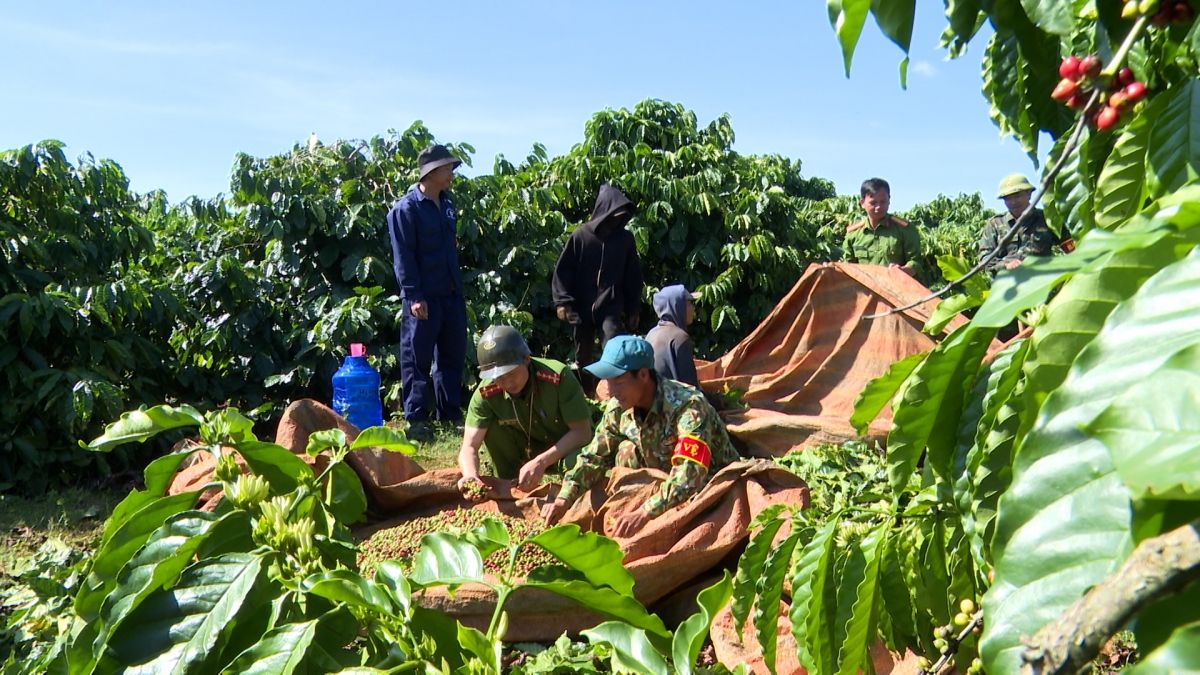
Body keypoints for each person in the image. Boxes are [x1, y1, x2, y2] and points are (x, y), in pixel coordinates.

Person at [540, 336, 739, 537]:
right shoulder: (618, 408)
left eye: (618, 382)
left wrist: (644, 512)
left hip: (708, 490)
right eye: (608, 382)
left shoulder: (688, 406)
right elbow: (594, 457)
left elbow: (690, 475)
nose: (611, 391)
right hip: (661, 484)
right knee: (626, 452)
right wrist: (563, 499)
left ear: (643, 375)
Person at [387, 145, 468, 442]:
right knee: (417, 359)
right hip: (423, 297)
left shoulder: (447, 205)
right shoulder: (404, 210)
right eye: (447, 169)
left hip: (451, 295)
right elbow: (403, 256)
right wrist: (414, 296)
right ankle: (417, 419)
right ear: (431, 173)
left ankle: (449, 414)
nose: (451, 174)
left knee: (451, 356)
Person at [457, 325, 594, 492]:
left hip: (563, 449)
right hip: (522, 450)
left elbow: (583, 432)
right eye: (498, 377)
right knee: (489, 425)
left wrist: (542, 461)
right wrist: (470, 475)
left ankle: (571, 491)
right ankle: (510, 486)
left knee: (578, 461)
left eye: (512, 373)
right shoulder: (486, 394)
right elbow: (469, 446)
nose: (507, 383)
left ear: (527, 359)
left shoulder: (558, 377)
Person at [551, 185, 643, 394]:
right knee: (582, 355)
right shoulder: (581, 237)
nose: (616, 221)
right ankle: (587, 393)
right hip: (582, 306)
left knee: (613, 347)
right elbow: (563, 271)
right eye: (613, 216)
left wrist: (633, 308)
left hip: (610, 305)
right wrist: (563, 303)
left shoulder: (625, 240)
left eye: (620, 217)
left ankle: (612, 392)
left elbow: (632, 277)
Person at [979, 173, 1069, 272]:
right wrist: (1006, 265)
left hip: (1039, 281)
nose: (1013, 202)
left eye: (1017, 196)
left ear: (1029, 194)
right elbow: (985, 259)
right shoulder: (995, 224)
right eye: (1008, 198)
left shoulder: (1047, 219)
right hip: (1006, 283)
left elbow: (1072, 248)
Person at [842, 178, 921, 278]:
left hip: (896, 289)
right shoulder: (853, 234)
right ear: (862, 203)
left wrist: (903, 271)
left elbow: (916, 262)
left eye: (883, 201)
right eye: (873, 203)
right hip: (865, 290)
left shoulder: (904, 229)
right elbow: (848, 267)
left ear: (889, 200)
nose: (878, 207)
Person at [645, 284, 700, 387]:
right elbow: (690, 389)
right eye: (689, 304)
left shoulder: (651, 334)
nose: (693, 308)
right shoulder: (680, 337)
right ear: (677, 307)